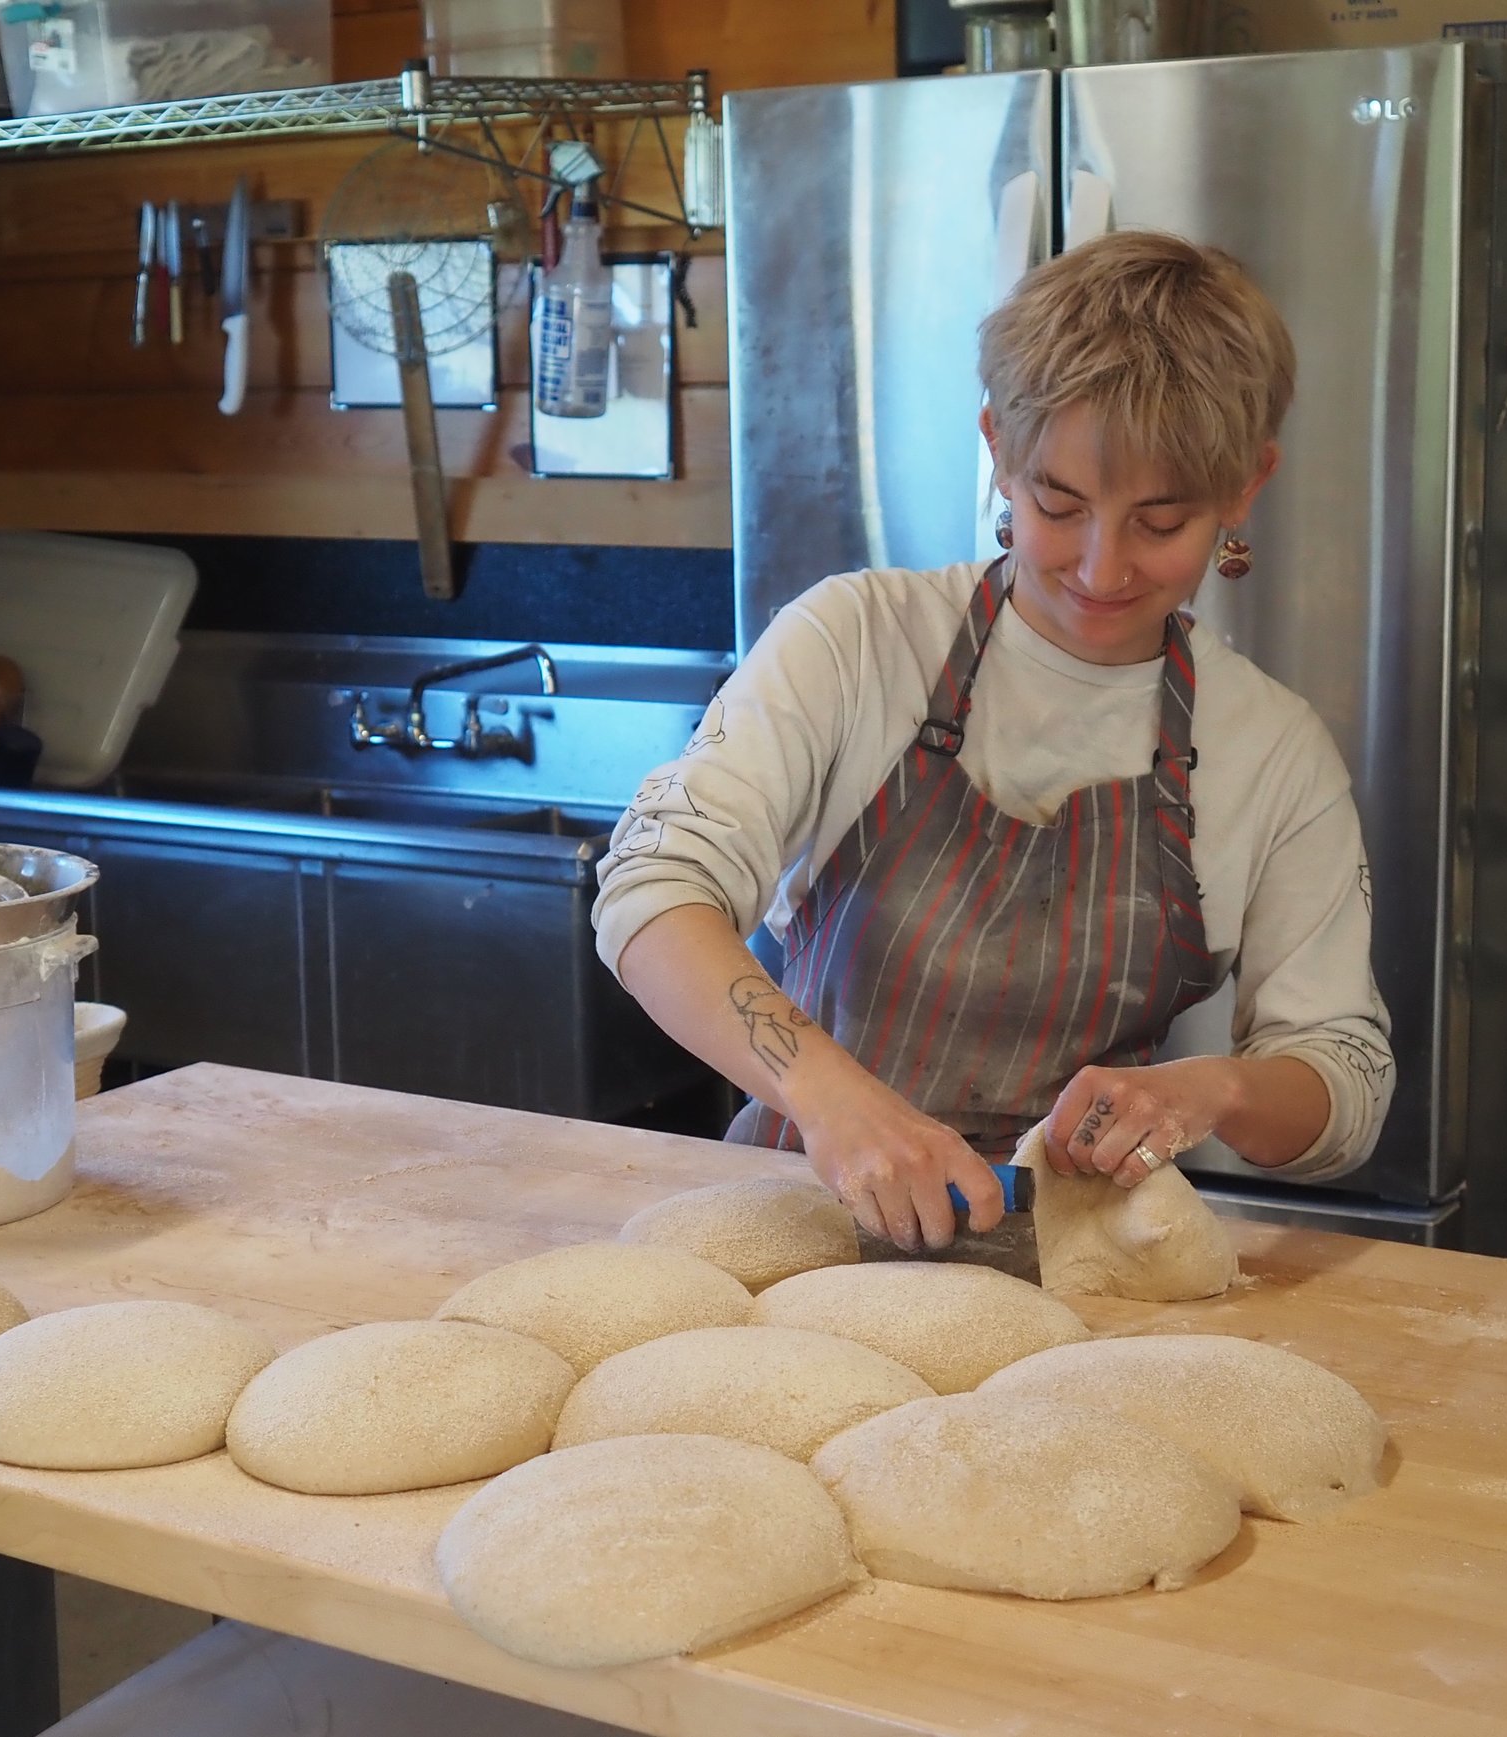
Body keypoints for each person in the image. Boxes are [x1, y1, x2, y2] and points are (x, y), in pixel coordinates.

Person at [593, 230, 1394, 1253]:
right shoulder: (856, 641)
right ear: (999, 451)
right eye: (1059, 505)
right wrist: (836, 1102)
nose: (1103, 569)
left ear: (1246, 487)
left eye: (1161, 522)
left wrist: (1216, 1088)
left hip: (1077, 1273)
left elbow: (1346, 1077)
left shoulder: (1269, 751)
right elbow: (654, 890)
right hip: (794, 1227)